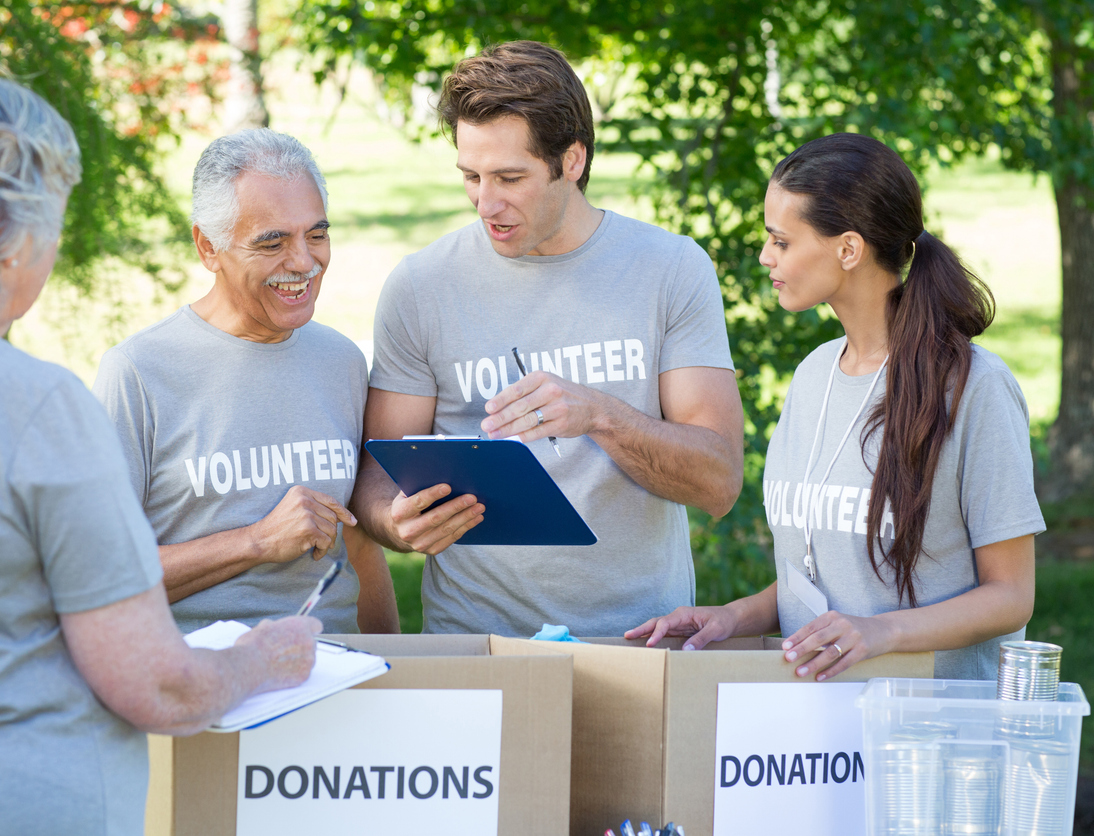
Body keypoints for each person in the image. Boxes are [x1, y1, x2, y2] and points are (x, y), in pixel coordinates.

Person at [0, 56, 320, 836]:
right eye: (51, 214)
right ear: (3, 228)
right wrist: (263, 660)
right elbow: (157, 687)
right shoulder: (33, 403)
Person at [353, 40, 745, 636]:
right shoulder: (420, 286)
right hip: (475, 643)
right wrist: (393, 520)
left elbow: (718, 481)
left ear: (572, 160)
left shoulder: (670, 270)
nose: (487, 203)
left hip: (641, 639)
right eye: (471, 177)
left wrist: (600, 415)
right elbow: (377, 470)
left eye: (511, 177)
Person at [628, 133, 1042, 681]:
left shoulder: (975, 386)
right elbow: (827, 573)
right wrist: (733, 617)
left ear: (848, 249)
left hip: (926, 740)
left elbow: (1011, 596)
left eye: (781, 241)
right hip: (821, 742)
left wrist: (880, 633)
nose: (764, 256)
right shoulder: (813, 376)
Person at [93, 129, 398, 635]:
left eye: (316, 234)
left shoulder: (341, 361)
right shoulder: (138, 374)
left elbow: (359, 544)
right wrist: (256, 542)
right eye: (272, 241)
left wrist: (395, 673)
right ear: (207, 247)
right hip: (202, 684)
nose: (303, 261)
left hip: (340, 671)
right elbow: (102, 577)